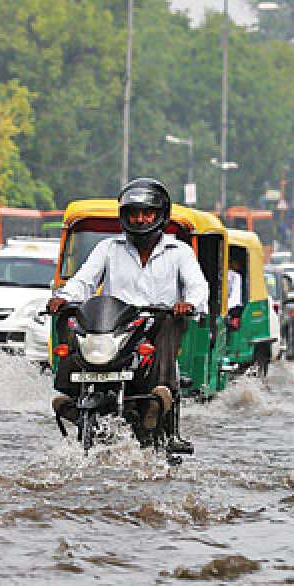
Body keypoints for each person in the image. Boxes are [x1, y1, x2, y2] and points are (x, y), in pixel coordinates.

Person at [47, 178, 209, 443]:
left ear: (161, 216)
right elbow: (83, 281)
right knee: (70, 317)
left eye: (147, 213)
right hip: (116, 327)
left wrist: (188, 304)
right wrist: (63, 298)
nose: (140, 220)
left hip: (157, 325)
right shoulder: (108, 248)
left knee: (170, 323)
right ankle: (69, 392)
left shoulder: (179, 252)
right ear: (124, 217)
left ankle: (159, 395)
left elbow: (198, 288)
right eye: (134, 214)